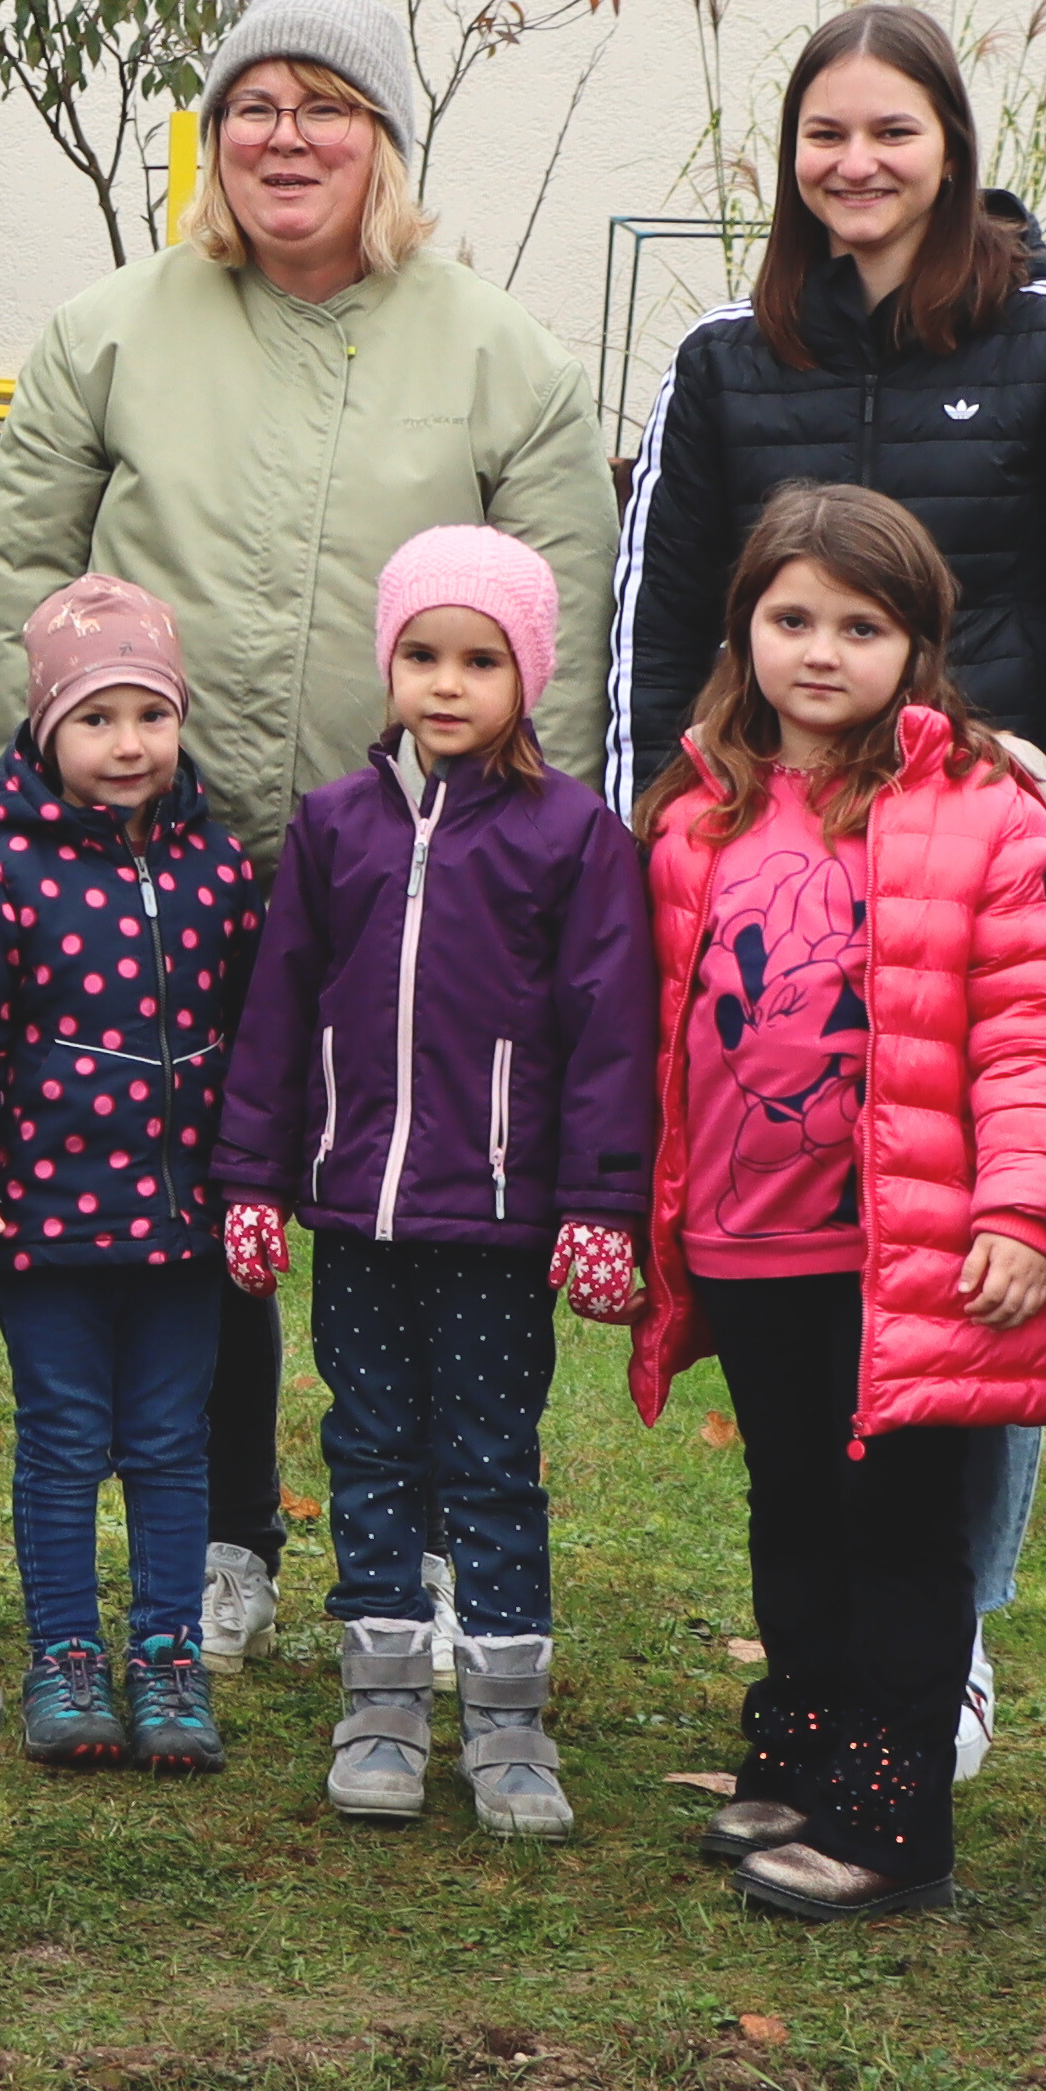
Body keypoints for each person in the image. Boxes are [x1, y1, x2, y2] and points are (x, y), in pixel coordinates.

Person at [0, 0, 611, 1678]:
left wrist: (553, 849)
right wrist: (11, 801)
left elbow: (566, 615)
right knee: (205, 1205)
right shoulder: (112, 330)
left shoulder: (506, 360)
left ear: (385, 138)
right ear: (212, 136)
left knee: (438, 1210)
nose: (286, 137)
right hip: (158, 862)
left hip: (419, 873)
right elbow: (24, 580)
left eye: (327, 106)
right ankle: (232, 1532)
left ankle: (454, 1540)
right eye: (254, 105)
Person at [600, 0, 1046, 1774]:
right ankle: (834, 1659)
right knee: (802, 1280)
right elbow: (657, 614)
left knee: (961, 1269)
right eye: (824, 134)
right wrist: (661, 836)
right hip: (770, 878)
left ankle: (950, 1641)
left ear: (953, 148)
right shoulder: (722, 358)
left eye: (892, 133)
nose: (856, 163)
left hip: (972, 868)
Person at [622, 487, 1046, 1922]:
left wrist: (1021, 1214)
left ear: (921, 643)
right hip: (749, 1238)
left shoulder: (983, 811)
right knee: (792, 1509)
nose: (822, 651)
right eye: (793, 619)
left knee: (897, 1531)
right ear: (745, 628)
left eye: (862, 625)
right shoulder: (698, 812)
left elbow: (1026, 1031)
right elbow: (658, 1024)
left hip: (903, 1250)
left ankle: (897, 1820)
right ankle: (809, 1749)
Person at [209, 523, 656, 1844]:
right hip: (359, 1214)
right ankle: (384, 1704)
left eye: (480, 659)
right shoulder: (334, 828)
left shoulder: (572, 836)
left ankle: (509, 1719)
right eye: (422, 655)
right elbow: (277, 1017)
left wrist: (599, 1205)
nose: (447, 684)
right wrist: (254, 1178)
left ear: (529, 675)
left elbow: (609, 1032)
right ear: (388, 663)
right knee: (369, 1450)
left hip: (501, 1221)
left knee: (490, 1462)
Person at [0, 576, 264, 1772]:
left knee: (169, 1439)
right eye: (97, 717)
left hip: (185, 1225)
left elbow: (256, 1032)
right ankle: (65, 1651)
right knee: (62, 1437)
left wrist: (258, 1173)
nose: (127, 744)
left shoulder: (218, 869)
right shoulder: (2, 867)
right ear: (47, 727)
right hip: (45, 1219)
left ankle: (165, 1651)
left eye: (150, 716)